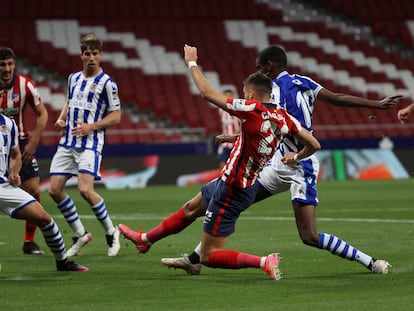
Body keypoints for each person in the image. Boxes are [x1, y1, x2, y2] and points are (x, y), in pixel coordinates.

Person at [161, 45, 397, 275]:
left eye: (259, 67)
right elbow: (337, 97)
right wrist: (375, 104)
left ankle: (371, 262)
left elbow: (271, 124)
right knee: (233, 200)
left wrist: (241, 138)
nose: (257, 71)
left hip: (299, 164)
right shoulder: (304, 81)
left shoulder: (274, 91)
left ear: (269, 65)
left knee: (309, 236)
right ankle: (195, 260)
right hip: (278, 163)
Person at [119, 44, 321, 281]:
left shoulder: (251, 109)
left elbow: (207, 94)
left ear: (252, 94)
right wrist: (296, 156)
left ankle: (264, 261)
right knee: (190, 208)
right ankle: (145, 241)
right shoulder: (283, 117)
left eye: (245, 92)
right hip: (236, 181)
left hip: (233, 189)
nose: (243, 96)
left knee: (209, 255)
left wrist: (192, 63)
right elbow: (314, 144)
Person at [0, 78, 88, 272]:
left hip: (3, 186)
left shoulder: (8, 125)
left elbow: (15, 154)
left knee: (44, 217)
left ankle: (63, 262)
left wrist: (14, 173)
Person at [48, 33, 121, 257]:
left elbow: (116, 116)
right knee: (54, 190)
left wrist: (92, 126)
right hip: (68, 141)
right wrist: (62, 118)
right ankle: (81, 234)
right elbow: (70, 101)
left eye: (95, 54)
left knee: (85, 190)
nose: (91, 57)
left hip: (90, 143)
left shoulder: (107, 83)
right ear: (81, 55)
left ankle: (111, 231)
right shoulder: (73, 78)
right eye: (87, 54)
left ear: (101, 55)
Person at [0, 47, 48, 255]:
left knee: (34, 191)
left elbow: (43, 114)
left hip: (19, 143)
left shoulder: (25, 85)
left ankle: (29, 241)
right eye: (2, 64)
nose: (7, 68)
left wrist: (33, 142)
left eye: (10, 64)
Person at [217, 89, 241, 169]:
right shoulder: (220, 110)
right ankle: (223, 180)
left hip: (236, 141)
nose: (228, 98)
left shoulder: (238, 109)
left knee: (237, 163)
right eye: (226, 96)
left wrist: (238, 132)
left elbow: (243, 123)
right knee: (222, 163)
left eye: (230, 96)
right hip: (225, 143)